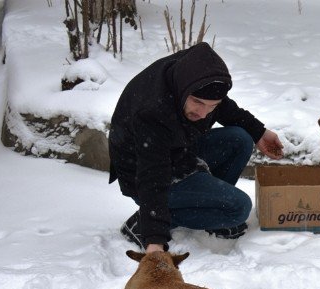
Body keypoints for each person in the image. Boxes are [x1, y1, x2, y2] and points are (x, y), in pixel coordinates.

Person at [108, 42, 284, 253]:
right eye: (198, 103)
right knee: (239, 208)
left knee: (240, 138)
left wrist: (260, 133)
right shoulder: (152, 112)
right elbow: (152, 176)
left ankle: (209, 208)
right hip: (143, 174)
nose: (203, 114)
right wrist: (154, 236)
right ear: (185, 90)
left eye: (212, 106)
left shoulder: (196, 77)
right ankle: (143, 224)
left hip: (180, 153)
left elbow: (227, 109)